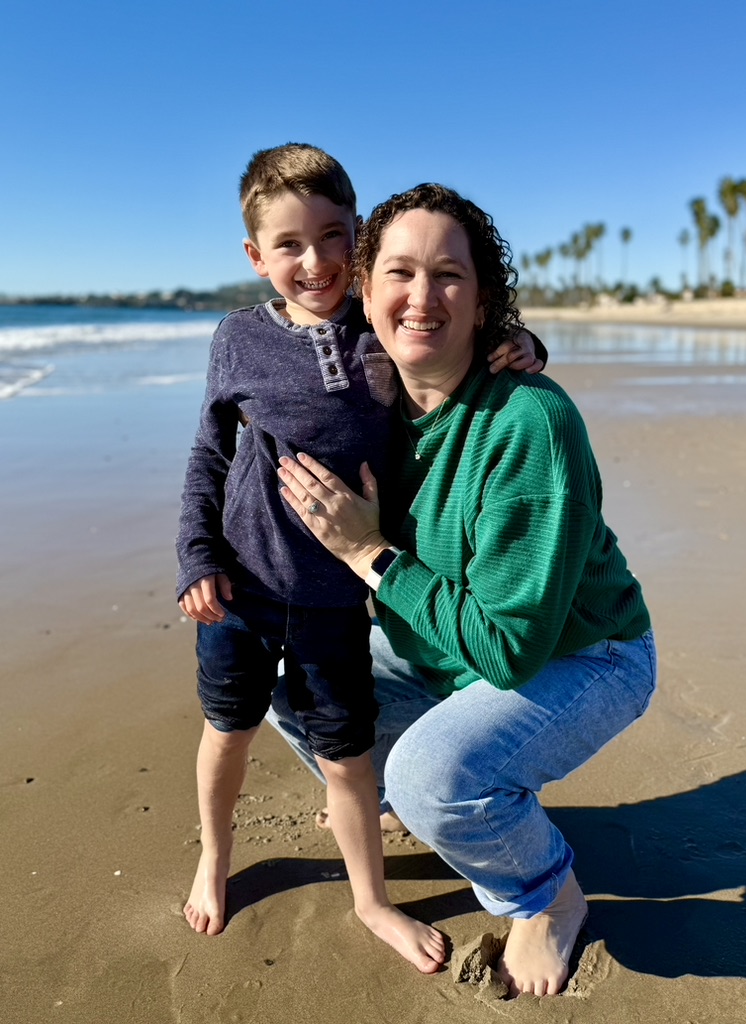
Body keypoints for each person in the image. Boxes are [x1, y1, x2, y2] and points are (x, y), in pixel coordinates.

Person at [273, 182, 657, 997]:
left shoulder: (530, 422)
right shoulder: (361, 396)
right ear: (364, 290)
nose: (421, 296)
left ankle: (548, 894)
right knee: (284, 673)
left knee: (434, 780)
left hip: (584, 652)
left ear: (484, 304)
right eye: (400, 273)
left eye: (449, 276)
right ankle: (402, 792)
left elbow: (511, 651)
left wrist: (369, 553)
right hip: (441, 647)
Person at [175, 144, 547, 972]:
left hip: (338, 596)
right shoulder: (237, 338)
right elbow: (208, 454)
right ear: (256, 255)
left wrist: (522, 341)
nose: (315, 262)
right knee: (227, 730)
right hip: (242, 586)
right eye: (290, 245)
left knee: (346, 758)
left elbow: (446, 337)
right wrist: (196, 557)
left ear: (358, 238)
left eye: (333, 238)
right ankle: (214, 858)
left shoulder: (377, 327)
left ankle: (371, 902)